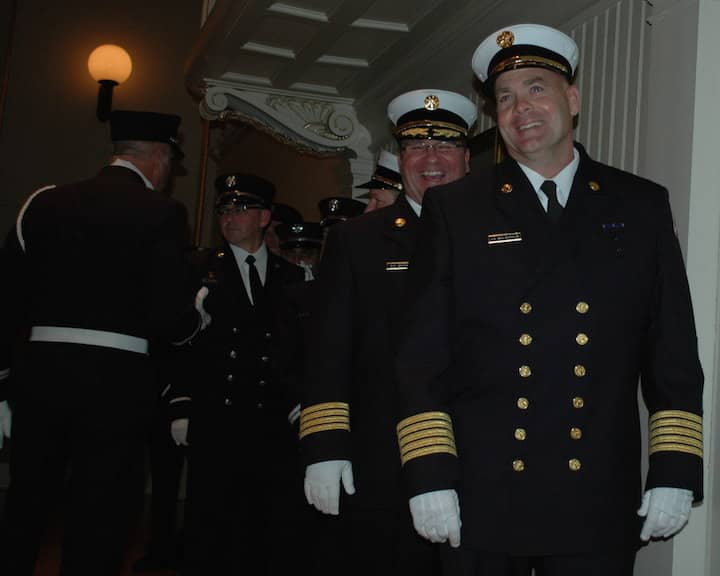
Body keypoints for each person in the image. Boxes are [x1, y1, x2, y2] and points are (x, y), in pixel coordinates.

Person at [394, 24, 704, 576]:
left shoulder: (639, 204)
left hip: (594, 489)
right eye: (506, 98)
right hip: (480, 491)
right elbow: (422, 357)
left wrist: (676, 467)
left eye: (537, 88)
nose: (520, 109)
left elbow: (672, 354)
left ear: (573, 99)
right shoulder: (457, 210)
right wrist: (430, 474)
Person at [0, 110, 202, 576]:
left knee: (25, 507)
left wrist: (4, 381)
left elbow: (7, 297)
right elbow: (169, 316)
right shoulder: (162, 213)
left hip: (40, 376)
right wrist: (196, 319)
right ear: (157, 156)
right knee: (100, 516)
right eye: (170, 161)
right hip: (116, 385)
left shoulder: (42, 202)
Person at [299, 88, 477, 575]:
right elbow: (328, 348)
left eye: (444, 145)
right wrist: (326, 445)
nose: (431, 158)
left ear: (466, 155)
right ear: (400, 159)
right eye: (417, 146)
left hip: (483, 457)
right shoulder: (358, 240)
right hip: (384, 457)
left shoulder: (499, 233)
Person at [167, 173, 306, 575]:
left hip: (271, 420)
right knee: (210, 525)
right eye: (224, 210)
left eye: (242, 209)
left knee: (265, 525)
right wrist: (181, 403)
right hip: (217, 417)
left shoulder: (290, 277)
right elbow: (179, 344)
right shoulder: (198, 267)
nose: (230, 217)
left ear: (265, 217)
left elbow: (295, 350)